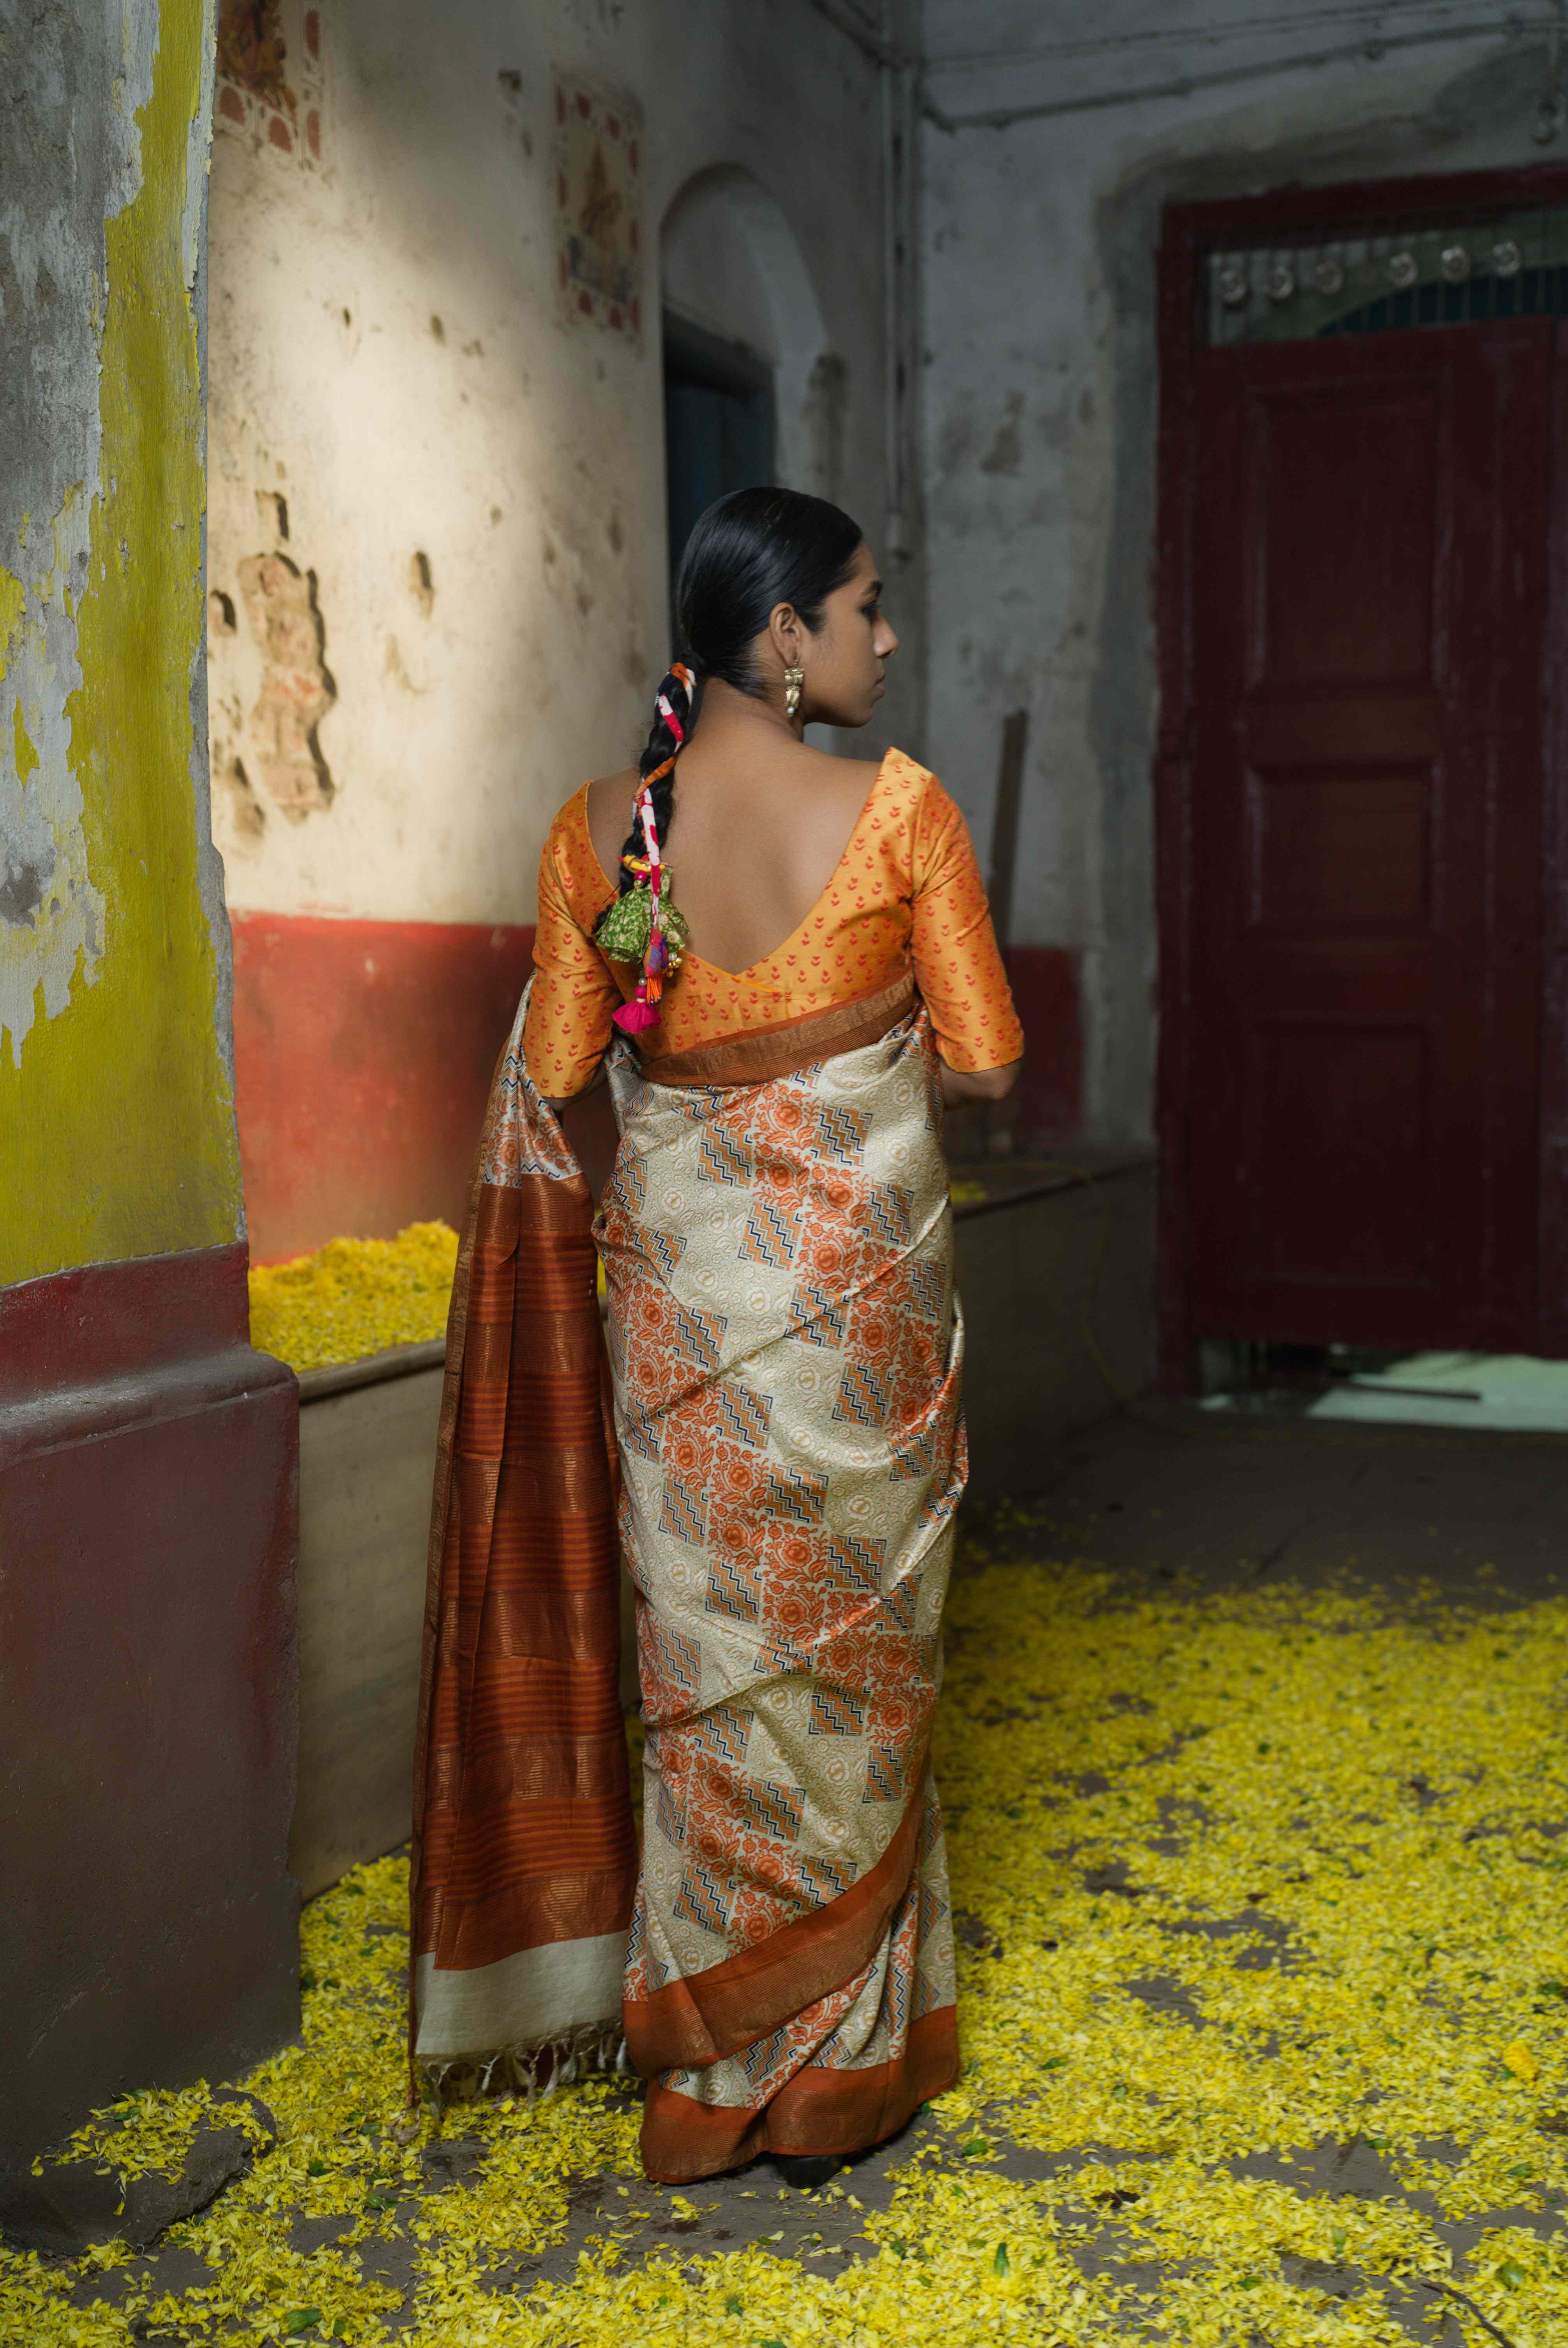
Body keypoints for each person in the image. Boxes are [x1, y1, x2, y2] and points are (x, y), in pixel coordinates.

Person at [409, 486, 1023, 2190]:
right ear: (785, 634)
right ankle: (835, 2079)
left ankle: (708, 2082)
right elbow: (983, 1061)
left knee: (705, 1678)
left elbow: (557, 1070)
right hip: (857, 1337)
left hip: (680, 1327)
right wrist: (843, 1093)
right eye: (866, 605)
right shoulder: (899, 813)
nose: (886, 635)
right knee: (852, 1675)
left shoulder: (601, 831)